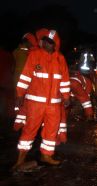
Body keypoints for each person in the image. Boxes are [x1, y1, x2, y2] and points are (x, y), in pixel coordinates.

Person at [12, 29, 70, 170]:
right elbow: (25, 76)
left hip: (54, 104)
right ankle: (21, 159)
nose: (45, 44)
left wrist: (66, 97)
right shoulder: (34, 55)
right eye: (44, 41)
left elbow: (64, 80)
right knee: (29, 130)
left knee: (51, 131)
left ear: (55, 44)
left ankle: (47, 155)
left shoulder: (60, 59)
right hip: (35, 103)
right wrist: (20, 94)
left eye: (49, 42)